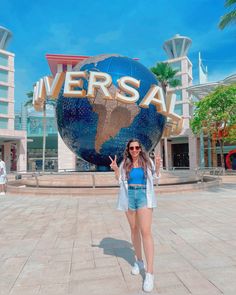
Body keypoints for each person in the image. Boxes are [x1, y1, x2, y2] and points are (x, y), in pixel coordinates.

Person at [109, 139, 161, 293]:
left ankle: (150, 273)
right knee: (134, 229)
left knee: (146, 232)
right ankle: (139, 262)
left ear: (140, 149)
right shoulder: (125, 162)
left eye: (137, 147)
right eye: (131, 148)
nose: (134, 150)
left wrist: (158, 166)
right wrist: (115, 169)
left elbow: (157, 178)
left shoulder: (148, 161)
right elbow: (119, 180)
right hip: (129, 195)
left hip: (144, 195)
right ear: (128, 149)